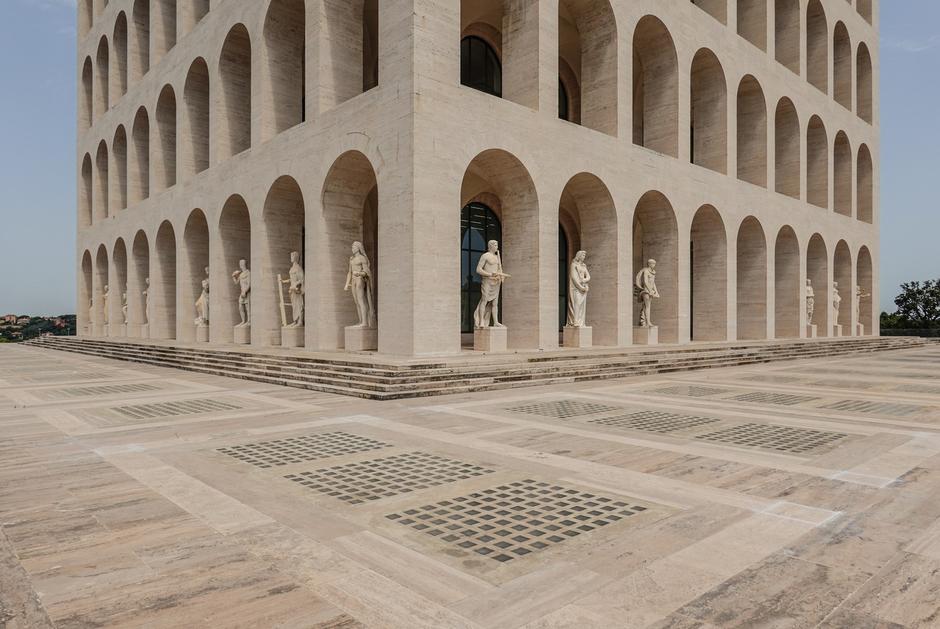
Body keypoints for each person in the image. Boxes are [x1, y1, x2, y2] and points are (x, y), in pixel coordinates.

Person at [474, 240, 509, 328]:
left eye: (497, 245)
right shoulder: (485, 256)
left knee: (495, 303)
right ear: (491, 246)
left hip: (496, 282)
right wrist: (490, 274)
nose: (497, 247)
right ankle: (481, 320)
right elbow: (478, 269)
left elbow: (499, 270)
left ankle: (495, 321)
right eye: (495, 245)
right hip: (487, 281)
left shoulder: (497, 257)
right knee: (484, 300)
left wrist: (500, 275)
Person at [345, 242, 375, 328]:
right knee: (356, 302)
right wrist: (347, 284)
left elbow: (366, 271)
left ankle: (365, 322)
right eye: (352, 247)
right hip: (353, 280)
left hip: (360, 280)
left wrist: (359, 273)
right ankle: (361, 321)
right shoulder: (352, 259)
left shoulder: (362, 258)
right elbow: (349, 272)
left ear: (358, 248)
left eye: (353, 247)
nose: (352, 249)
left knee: (361, 300)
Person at [566, 250, 591, 328]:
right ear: (579, 256)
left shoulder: (584, 265)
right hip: (576, 288)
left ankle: (581, 322)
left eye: (584, 256)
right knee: (576, 304)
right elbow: (573, 278)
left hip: (583, 288)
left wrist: (584, 280)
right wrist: (580, 287)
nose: (584, 257)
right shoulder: (574, 265)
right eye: (583, 255)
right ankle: (575, 321)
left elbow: (588, 276)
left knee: (582, 306)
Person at [281, 251, 305, 327]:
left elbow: (301, 279)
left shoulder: (298, 268)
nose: (291, 258)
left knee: (299, 305)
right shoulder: (292, 268)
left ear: (295, 258)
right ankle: (295, 320)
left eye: (292, 256)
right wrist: (284, 281)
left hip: (297, 290)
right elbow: (292, 279)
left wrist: (295, 285)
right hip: (292, 290)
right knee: (294, 305)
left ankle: (300, 321)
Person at [635, 259, 660, 327]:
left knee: (646, 306)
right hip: (646, 291)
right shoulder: (646, 271)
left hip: (651, 291)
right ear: (649, 264)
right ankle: (647, 322)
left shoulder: (653, 272)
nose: (654, 265)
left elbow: (653, 283)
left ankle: (643, 320)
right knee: (647, 306)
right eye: (652, 263)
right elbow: (646, 281)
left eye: (654, 264)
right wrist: (650, 290)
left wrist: (656, 291)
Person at [232, 260, 251, 326]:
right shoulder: (241, 274)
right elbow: (236, 282)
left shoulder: (248, 272)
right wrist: (233, 276)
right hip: (242, 292)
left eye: (242, 263)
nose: (240, 264)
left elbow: (249, 284)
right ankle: (243, 321)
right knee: (240, 307)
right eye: (240, 263)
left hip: (247, 292)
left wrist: (245, 291)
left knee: (247, 307)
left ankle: (249, 321)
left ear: (245, 264)